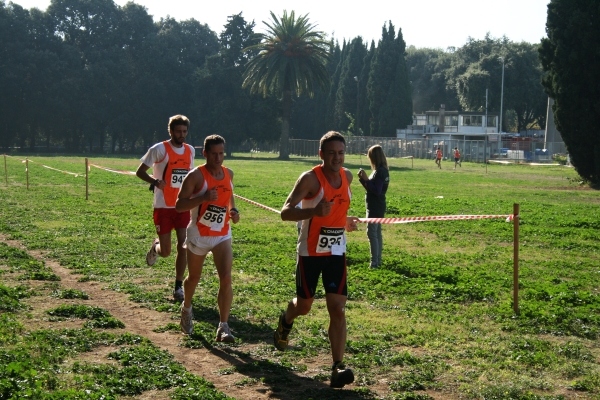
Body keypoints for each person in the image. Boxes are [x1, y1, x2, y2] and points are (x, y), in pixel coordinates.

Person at [275, 131, 359, 389]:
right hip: (310, 253)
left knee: (337, 308)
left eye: (341, 153)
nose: (337, 157)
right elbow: (285, 212)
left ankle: (337, 367)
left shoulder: (347, 176)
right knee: (304, 307)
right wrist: (313, 210)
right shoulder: (310, 179)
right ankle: (286, 319)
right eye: (332, 153)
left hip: (335, 252)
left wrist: (345, 221)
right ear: (321, 154)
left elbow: (338, 208)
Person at [175, 134, 240, 342]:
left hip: (222, 233)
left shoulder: (228, 173)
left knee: (226, 278)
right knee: (193, 278)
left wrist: (233, 210)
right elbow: (179, 205)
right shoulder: (195, 176)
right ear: (205, 154)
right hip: (199, 234)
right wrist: (203, 198)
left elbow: (228, 194)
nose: (218, 158)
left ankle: (223, 326)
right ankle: (186, 309)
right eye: (214, 154)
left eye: (221, 153)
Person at [136, 115, 195, 303]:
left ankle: (178, 287)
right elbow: (140, 172)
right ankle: (156, 247)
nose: (182, 135)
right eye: (178, 131)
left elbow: (189, 176)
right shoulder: (159, 149)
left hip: (182, 205)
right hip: (163, 206)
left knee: (183, 245)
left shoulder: (190, 150)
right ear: (170, 131)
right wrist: (155, 181)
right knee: (167, 251)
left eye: (184, 131)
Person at [357, 145, 389, 268]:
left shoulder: (380, 171)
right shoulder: (379, 170)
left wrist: (367, 179)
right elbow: (371, 188)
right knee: (377, 233)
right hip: (375, 205)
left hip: (375, 206)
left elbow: (377, 191)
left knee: (372, 233)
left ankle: (374, 262)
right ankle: (378, 261)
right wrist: (363, 180)